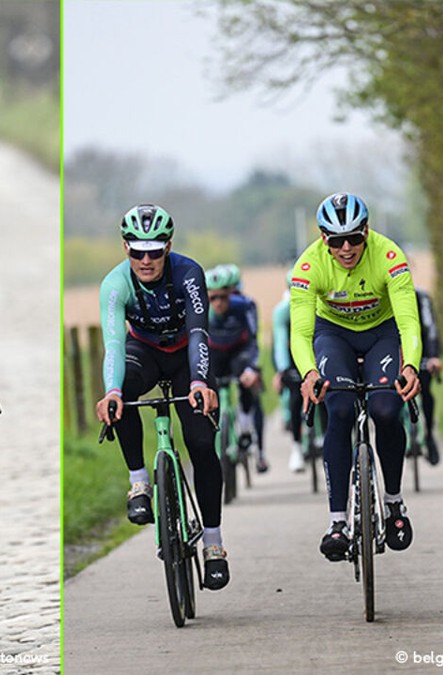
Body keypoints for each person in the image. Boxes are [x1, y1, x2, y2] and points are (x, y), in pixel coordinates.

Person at [94, 205, 229, 590]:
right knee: (121, 399)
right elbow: (115, 344)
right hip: (145, 354)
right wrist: (113, 392)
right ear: (126, 249)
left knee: (202, 443)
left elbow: (201, 333)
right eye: (138, 251)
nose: (147, 259)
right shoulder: (115, 285)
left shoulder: (189, 273)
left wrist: (201, 382)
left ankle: (214, 545)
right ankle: (139, 481)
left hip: (188, 355)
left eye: (155, 250)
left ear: (169, 246)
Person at [291, 192, 422, 561]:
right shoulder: (308, 266)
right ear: (323, 238)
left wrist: (410, 364)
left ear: (367, 231)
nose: (346, 247)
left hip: (382, 333)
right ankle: (337, 522)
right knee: (341, 410)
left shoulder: (389, 255)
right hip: (333, 335)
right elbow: (300, 333)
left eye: (354, 238)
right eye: (336, 240)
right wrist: (309, 372)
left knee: (384, 409)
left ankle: (394, 502)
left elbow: (409, 320)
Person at [206, 265, 268, 473]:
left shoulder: (245, 306)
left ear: (230, 294)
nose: (218, 303)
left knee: (246, 379)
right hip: (215, 354)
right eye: (212, 298)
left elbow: (253, 340)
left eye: (223, 297)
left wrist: (252, 368)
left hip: (239, 352)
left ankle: (244, 425)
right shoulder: (200, 310)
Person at [271, 288, 308, 472]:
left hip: (317, 351)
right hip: (293, 355)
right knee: (295, 397)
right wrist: (282, 369)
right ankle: (296, 447)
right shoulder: (283, 311)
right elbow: (280, 341)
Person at [414, 288, 443, 466]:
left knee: (426, 392)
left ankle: (430, 435)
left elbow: (430, 327)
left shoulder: (421, 297)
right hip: (396, 350)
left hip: (422, 350)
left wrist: (433, 356)